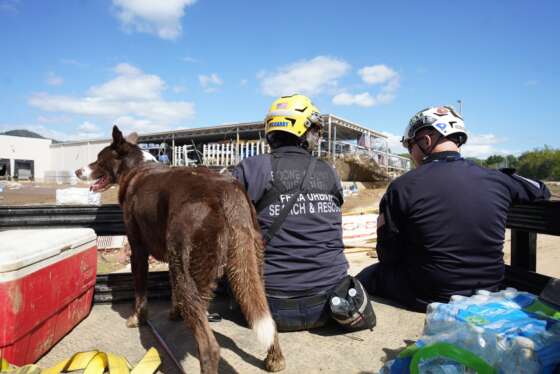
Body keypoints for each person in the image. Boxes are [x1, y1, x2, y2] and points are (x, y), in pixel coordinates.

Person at [356, 106, 551, 312]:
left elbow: (388, 256)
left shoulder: (403, 186)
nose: (410, 153)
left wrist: (382, 228)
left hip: (429, 293)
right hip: (489, 288)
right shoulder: (497, 179)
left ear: (426, 141)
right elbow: (541, 189)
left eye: (410, 145)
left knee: (364, 278)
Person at [233, 94, 348, 331]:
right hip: (333, 304)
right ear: (303, 130)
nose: (316, 136)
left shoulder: (251, 168)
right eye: (314, 129)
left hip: (269, 307)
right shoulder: (329, 171)